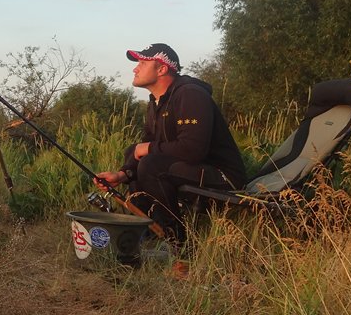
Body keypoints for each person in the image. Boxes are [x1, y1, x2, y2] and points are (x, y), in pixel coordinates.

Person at [94, 43, 246, 243]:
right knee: (137, 155)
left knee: (151, 164)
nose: (135, 68)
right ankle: (149, 236)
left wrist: (147, 148)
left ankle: (177, 243)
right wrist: (123, 174)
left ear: (162, 68)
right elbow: (143, 148)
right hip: (193, 169)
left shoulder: (190, 94)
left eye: (142, 62)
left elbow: (193, 149)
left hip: (224, 176)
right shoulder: (156, 102)